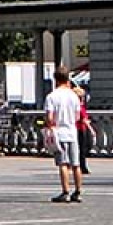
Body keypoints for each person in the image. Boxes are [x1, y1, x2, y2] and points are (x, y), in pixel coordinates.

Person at [44, 69, 84, 203]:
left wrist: (50, 124)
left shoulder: (51, 97)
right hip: (72, 132)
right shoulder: (74, 96)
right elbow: (77, 116)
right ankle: (78, 192)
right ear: (68, 79)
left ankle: (65, 192)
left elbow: (50, 118)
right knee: (76, 164)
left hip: (59, 133)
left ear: (55, 80)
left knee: (63, 163)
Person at [74, 84, 94, 175]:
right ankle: (83, 167)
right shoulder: (80, 107)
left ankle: (77, 165)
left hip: (75, 128)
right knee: (82, 149)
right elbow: (84, 120)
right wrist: (92, 130)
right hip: (81, 129)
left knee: (77, 148)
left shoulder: (74, 106)